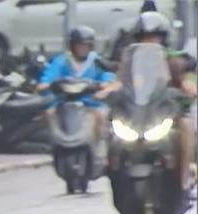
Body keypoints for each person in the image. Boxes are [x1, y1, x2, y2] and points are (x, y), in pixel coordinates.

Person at [129, 11, 198, 197]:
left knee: (186, 127)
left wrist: (186, 84)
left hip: (167, 113)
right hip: (139, 114)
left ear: (163, 39)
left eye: (153, 37)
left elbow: (184, 73)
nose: (149, 41)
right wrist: (110, 88)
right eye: (144, 37)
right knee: (113, 131)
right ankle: (112, 171)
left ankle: (184, 178)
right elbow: (119, 79)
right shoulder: (130, 59)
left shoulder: (172, 58)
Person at [37, 26, 118, 164]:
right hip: (63, 103)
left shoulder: (96, 61)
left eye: (85, 46)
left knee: (100, 117)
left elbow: (107, 75)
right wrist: (45, 84)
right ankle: (55, 147)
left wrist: (105, 85)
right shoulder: (62, 60)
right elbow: (49, 76)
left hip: (90, 103)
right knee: (49, 114)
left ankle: (97, 151)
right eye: (79, 46)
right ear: (72, 46)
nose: (82, 49)